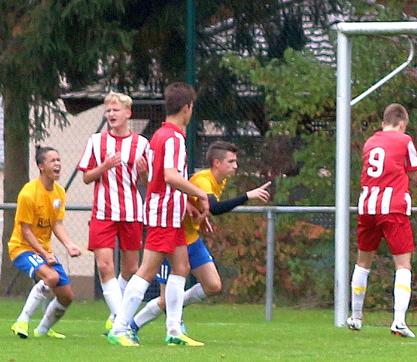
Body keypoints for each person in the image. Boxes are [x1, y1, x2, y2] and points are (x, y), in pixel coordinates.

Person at [127, 141, 271, 340]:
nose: (235, 166)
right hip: (171, 239)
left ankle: (175, 310)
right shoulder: (204, 180)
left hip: (191, 238)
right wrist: (248, 195)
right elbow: (215, 207)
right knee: (164, 300)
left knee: (213, 285)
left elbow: (195, 200)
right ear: (217, 163)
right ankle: (132, 325)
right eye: (231, 162)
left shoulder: (220, 180)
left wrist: (197, 213)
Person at [107, 82, 209, 347]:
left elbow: (156, 178)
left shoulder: (161, 135)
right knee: (146, 270)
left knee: (182, 267)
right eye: (192, 108)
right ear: (187, 108)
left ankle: (174, 330)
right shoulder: (173, 137)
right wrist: (200, 194)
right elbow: (170, 176)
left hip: (171, 211)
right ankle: (119, 328)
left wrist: (185, 202)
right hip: (163, 212)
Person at [347, 103, 417, 337]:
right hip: (393, 207)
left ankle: (356, 316)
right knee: (402, 264)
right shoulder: (404, 140)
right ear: (402, 124)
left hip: (367, 205)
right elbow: (416, 175)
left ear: (383, 123)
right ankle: (399, 320)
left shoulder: (370, 142)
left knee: (363, 262)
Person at [77, 92, 150, 332]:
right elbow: (87, 177)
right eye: (108, 111)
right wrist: (104, 166)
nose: (111, 114)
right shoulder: (96, 141)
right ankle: (122, 321)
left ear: (128, 113)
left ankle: (114, 316)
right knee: (104, 266)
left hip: (131, 212)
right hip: (103, 212)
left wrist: (144, 173)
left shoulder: (141, 144)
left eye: (115, 110)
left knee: (130, 269)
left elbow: (148, 180)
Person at [8, 146, 83, 338]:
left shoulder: (59, 192)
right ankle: (21, 322)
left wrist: (69, 244)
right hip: (22, 248)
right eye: (52, 161)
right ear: (41, 166)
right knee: (51, 278)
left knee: (67, 297)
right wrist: (44, 254)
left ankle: (42, 330)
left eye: (59, 160)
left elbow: (57, 224)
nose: (58, 164)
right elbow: (25, 231)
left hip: (43, 250)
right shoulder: (28, 193)